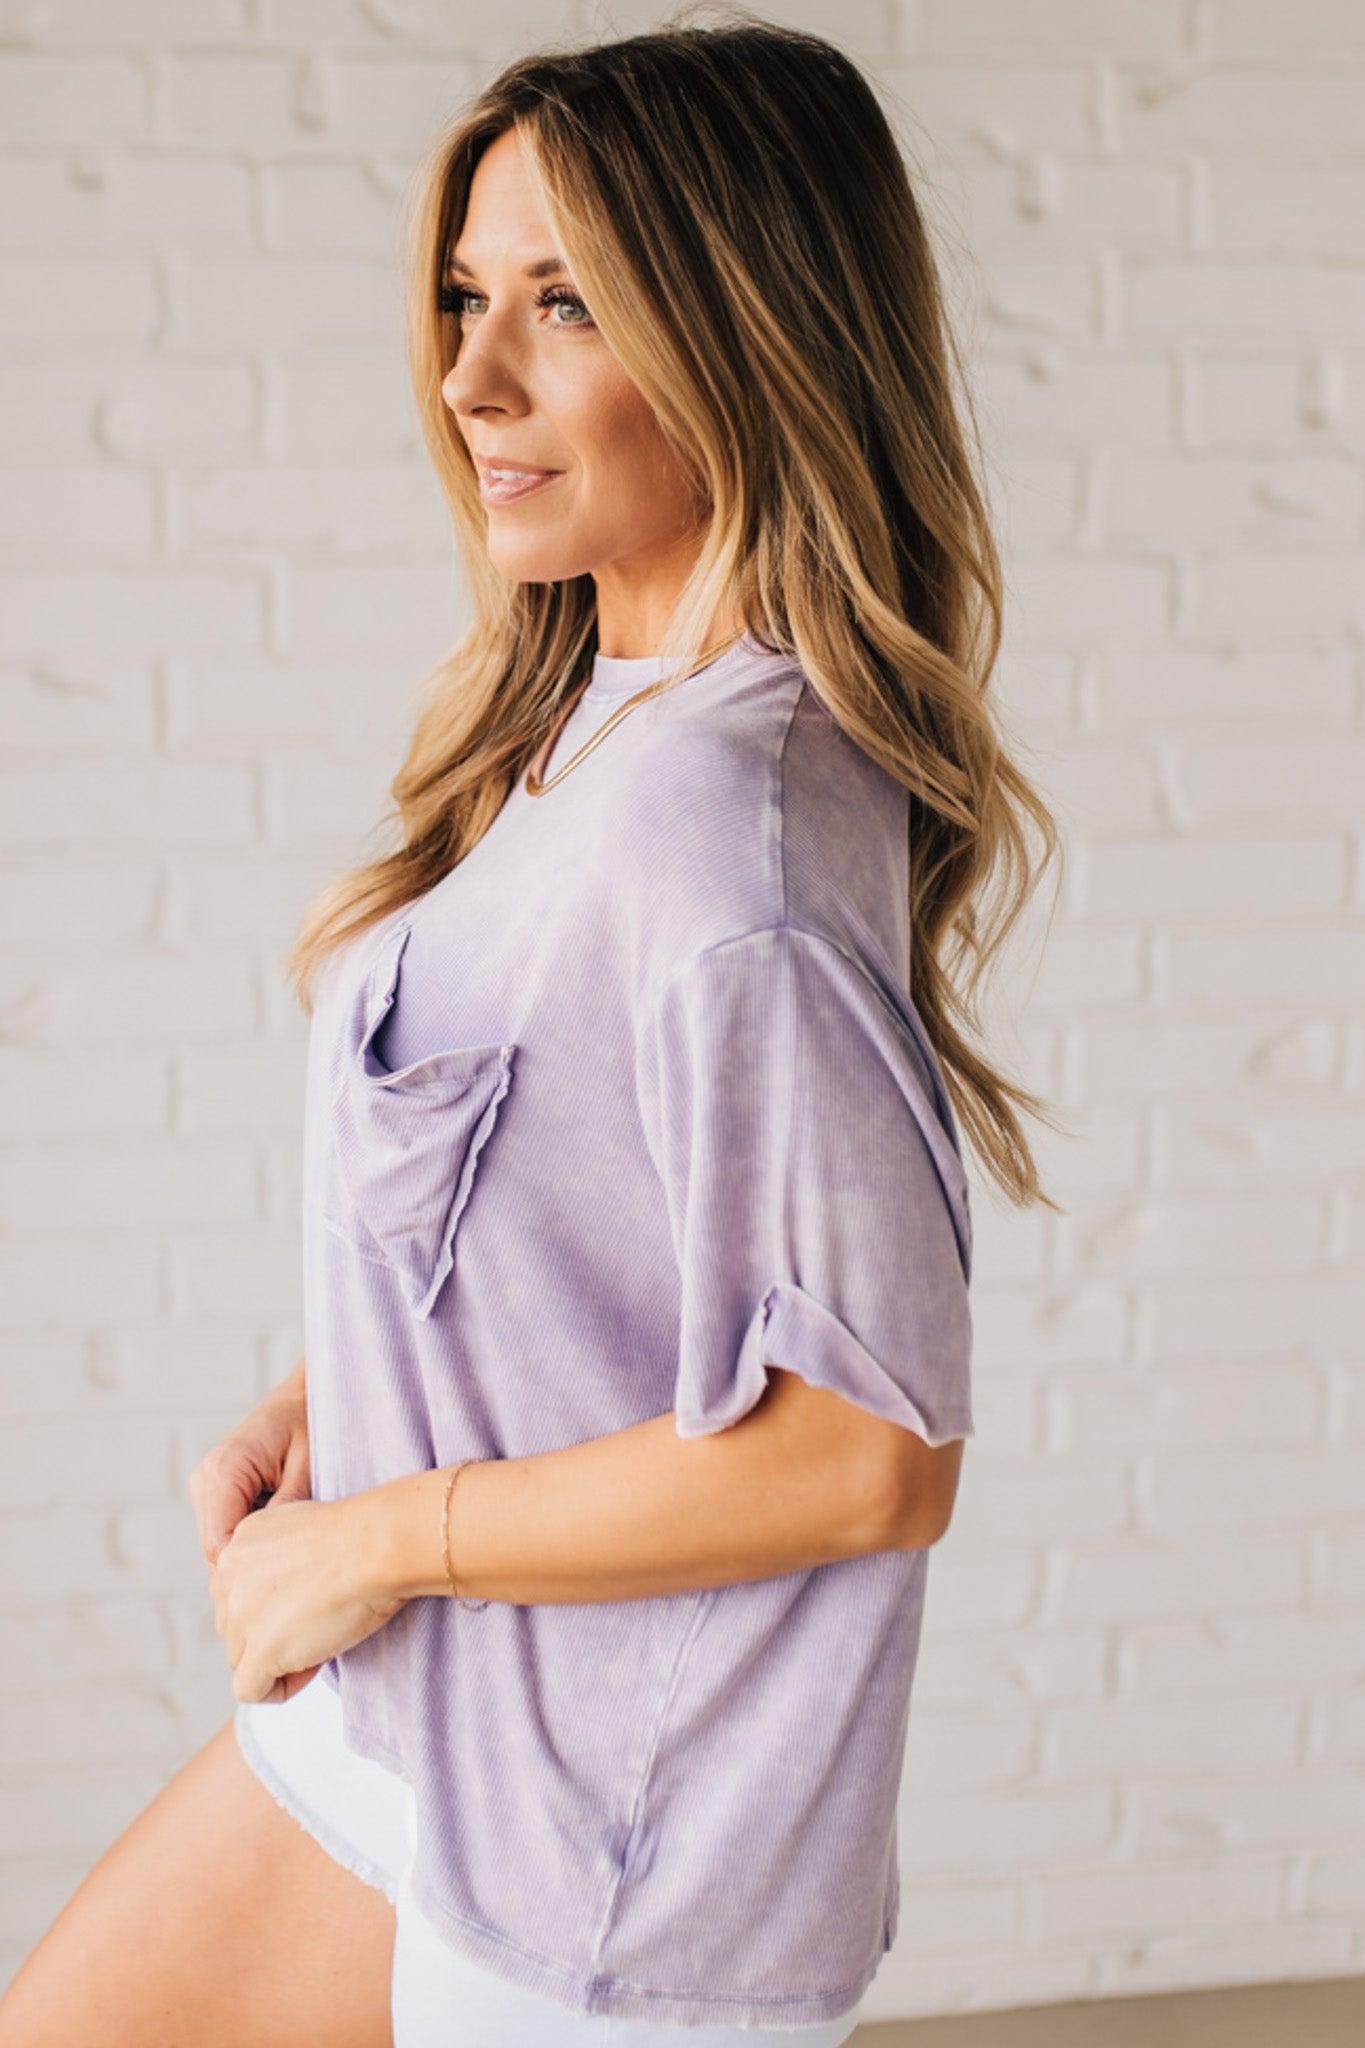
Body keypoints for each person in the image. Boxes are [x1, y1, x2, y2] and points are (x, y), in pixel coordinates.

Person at [0, 11, 1064, 2045]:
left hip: (603, 1851)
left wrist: (373, 1544)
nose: (468, 376)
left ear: (745, 332)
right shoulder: (601, 719)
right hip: (426, 1728)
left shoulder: (713, 831)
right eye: (463, 296)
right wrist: (337, 1395)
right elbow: (581, 1202)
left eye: (563, 304)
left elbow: (867, 1449)